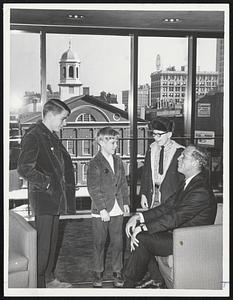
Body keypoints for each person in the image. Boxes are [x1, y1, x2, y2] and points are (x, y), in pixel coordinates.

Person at [123, 145, 217, 288]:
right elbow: (166, 207)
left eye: (184, 156)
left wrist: (143, 227)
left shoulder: (200, 190)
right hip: (178, 234)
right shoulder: (188, 183)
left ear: (195, 163)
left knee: (141, 237)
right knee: (139, 231)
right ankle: (155, 280)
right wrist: (139, 217)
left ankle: (128, 285)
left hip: (189, 240)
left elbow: (175, 217)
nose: (179, 158)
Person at [17, 99, 76, 288]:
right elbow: (24, 169)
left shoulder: (49, 135)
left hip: (54, 199)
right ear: (50, 116)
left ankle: (49, 279)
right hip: (44, 199)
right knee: (43, 246)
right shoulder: (34, 136)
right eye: (63, 119)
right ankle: (39, 284)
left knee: (51, 242)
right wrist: (48, 183)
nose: (64, 123)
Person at [138, 116, 184, 287]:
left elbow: (182, 182)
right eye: (154, 134)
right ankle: (156, 276)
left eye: (159, 134)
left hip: (169, 200)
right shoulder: (152, 148)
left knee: (157, 235)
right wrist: (143, 194)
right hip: (152, 197)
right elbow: (145, 174)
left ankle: (161, 279)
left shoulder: (180, 152)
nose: (155, 138)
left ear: (170, 134)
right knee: (147, 235)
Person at [87, 127, 130, 288]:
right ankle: (98, 272)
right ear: (101, 142)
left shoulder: (118, 161)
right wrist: (102, 209)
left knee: (118, 242)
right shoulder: (94, 162)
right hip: (101, 210)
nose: (116, 145)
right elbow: (93, 188)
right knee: (99, 242)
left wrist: (125, 202)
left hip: (117, 207)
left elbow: (123, 184)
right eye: (112, 142)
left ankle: (117, 272)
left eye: (116, 142)